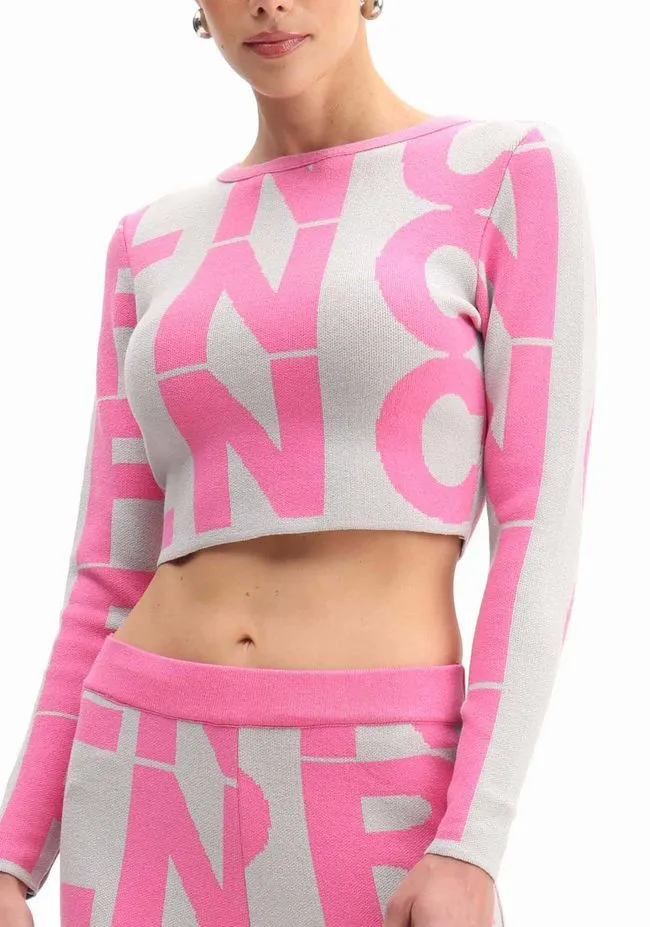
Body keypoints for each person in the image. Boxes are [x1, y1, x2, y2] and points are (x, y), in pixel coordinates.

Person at [0, 1, 597, 925]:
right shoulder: (150, 238)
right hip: (139, 770)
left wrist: (472, 842)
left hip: (378, 772)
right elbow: (107, 574)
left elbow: (538, 529)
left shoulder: (503, 171)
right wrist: (9, 859)